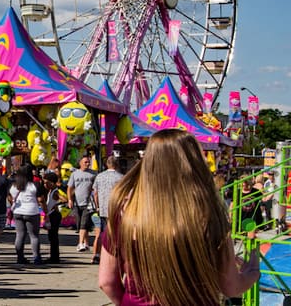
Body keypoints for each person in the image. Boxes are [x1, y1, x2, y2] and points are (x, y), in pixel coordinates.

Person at [99, 129, 261, 305]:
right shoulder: (209, 215)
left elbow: (107, 282)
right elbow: (230, 286)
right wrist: (253, 270)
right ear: (194, 164)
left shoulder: (125, 216)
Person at [9, 164, 46, 265]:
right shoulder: (35, 185)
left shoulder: (13, 185)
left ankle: (20, 257)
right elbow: (41, 200)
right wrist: (45, 212)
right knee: (34, 236)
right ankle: (36, 257)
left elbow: (10, 197)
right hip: (32, 211)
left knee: (20, 235)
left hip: (18, 211)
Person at [90, 156, 123, 265]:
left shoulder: (99, 176)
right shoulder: (120, 177)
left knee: (102, 231)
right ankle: (112, 253)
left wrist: (98, 206)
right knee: (114, 231)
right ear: (117, 165)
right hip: (115, 208)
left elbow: (95, 193)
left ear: (106, 164)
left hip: (102, 208)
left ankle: (99, 254)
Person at [67, 155, 96, 252]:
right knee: (81, 224)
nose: (87, 164)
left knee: (84, 224)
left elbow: (96, 188)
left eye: (88, 162)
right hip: (77, 202)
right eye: (85, 162)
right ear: (80, 163)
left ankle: (80, 243)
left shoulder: (93, 174)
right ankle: (86, 243)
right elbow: (70, 188)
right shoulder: (75, 174)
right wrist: (70, 199)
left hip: (88, 203)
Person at [42, 171, 67, 263]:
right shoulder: (51, 191)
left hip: (54, 215)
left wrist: (57, 205)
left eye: (46, 182)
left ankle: (55, 257)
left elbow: (65, 199)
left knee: (53, 236)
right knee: (51, 236)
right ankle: (53, 256)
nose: (44, 184)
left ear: (51, 183)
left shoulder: (55, 191)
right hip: (51, 214)